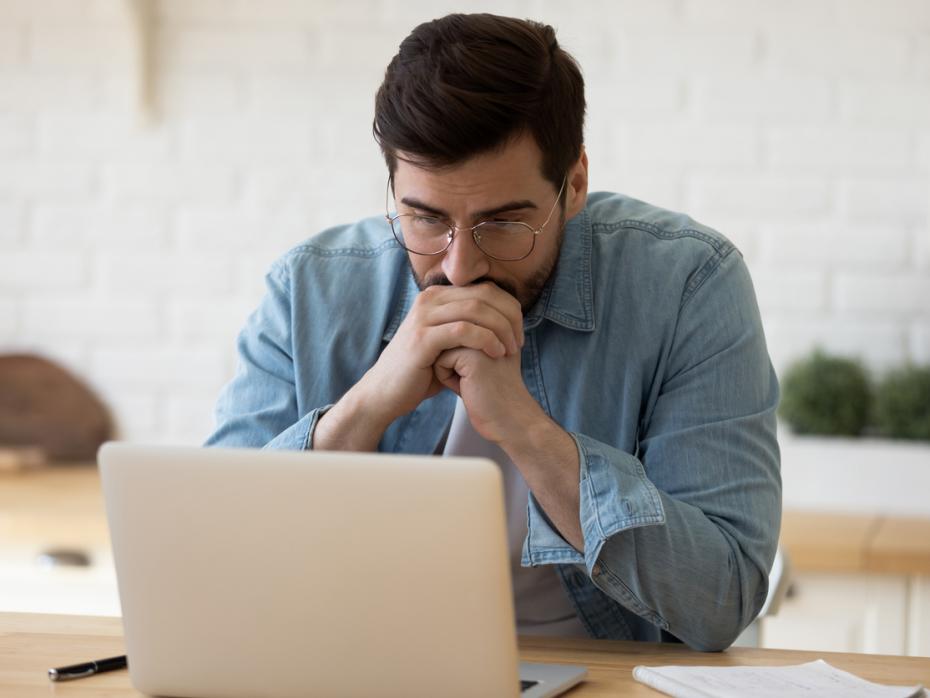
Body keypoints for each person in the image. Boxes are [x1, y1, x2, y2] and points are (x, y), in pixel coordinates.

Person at [205, 13, 781, 651]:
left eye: (503, 223)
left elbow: (722, 597)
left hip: (599, 674)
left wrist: (525, 429)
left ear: (576, 183)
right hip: (357, 667)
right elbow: (210, 565)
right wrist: (364, 408)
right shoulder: (308, 290)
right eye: (424, 219)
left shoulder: (688, 284)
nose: (461, 265)